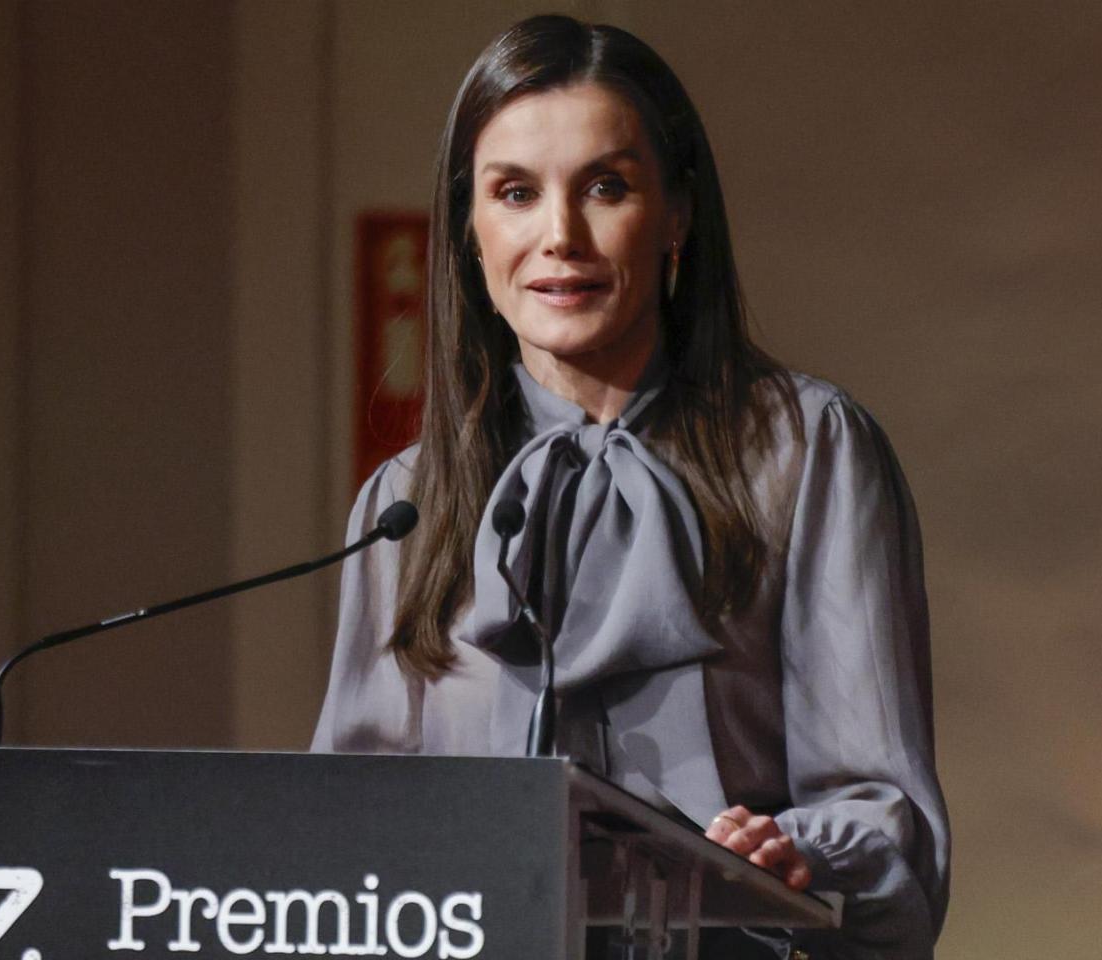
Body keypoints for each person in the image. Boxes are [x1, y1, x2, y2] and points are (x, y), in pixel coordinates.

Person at [312, 14, 948, 958]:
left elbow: (883, 811)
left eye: (606, 187)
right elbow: (343, 837)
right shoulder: (406, 505)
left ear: (678, 213)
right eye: (516, 193)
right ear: (469, 230)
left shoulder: (806, 453)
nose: (559, 235)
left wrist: (791, 853)